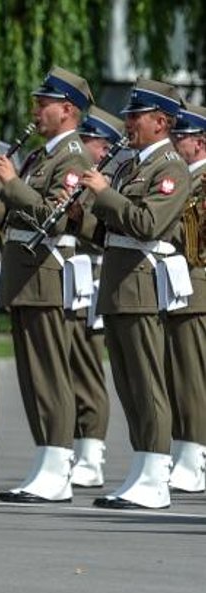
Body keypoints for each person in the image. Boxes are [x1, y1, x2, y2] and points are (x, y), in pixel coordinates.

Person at [75, 79, 190, 509]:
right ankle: (142, 467)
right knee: (127, 385)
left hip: (142, 285)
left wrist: (104, 195)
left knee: (148, 385)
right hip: (120, 283)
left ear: (161, 122)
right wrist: (78, 215)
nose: (128, 122)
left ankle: (156, 476)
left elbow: (146, 224)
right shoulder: (128, 165)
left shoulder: (171, 168)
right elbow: (106, 233)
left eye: (135, 116)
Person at [0, 66, 93, 504]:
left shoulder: (73, 157)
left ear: (67, 110)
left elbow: (57, 214)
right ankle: (45, 458)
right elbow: (9, 214)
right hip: (25, 274)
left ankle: (59, 463)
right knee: (31, 376)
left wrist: (12, 185)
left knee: (50, 373)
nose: (36, 110)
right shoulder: (39, 155)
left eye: (43, 104)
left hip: (46, 273)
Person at [67, 107, 124, 488]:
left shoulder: (105, 182)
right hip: (72, 276)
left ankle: (92, 455)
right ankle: (76, 448)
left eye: (84, 141)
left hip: (93, 277)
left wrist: (76, 215)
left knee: (87, 366)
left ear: (102, 148)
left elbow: (105, 232)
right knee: (70, 364)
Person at [163, 104, 206, 494]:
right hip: (175, 284)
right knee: (175, 374)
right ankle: (182, 450)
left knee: (192, 375)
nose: (173, 142)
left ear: (200, 142)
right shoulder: (181, 178)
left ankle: (196, 456)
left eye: (181, 137)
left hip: (196, 285)